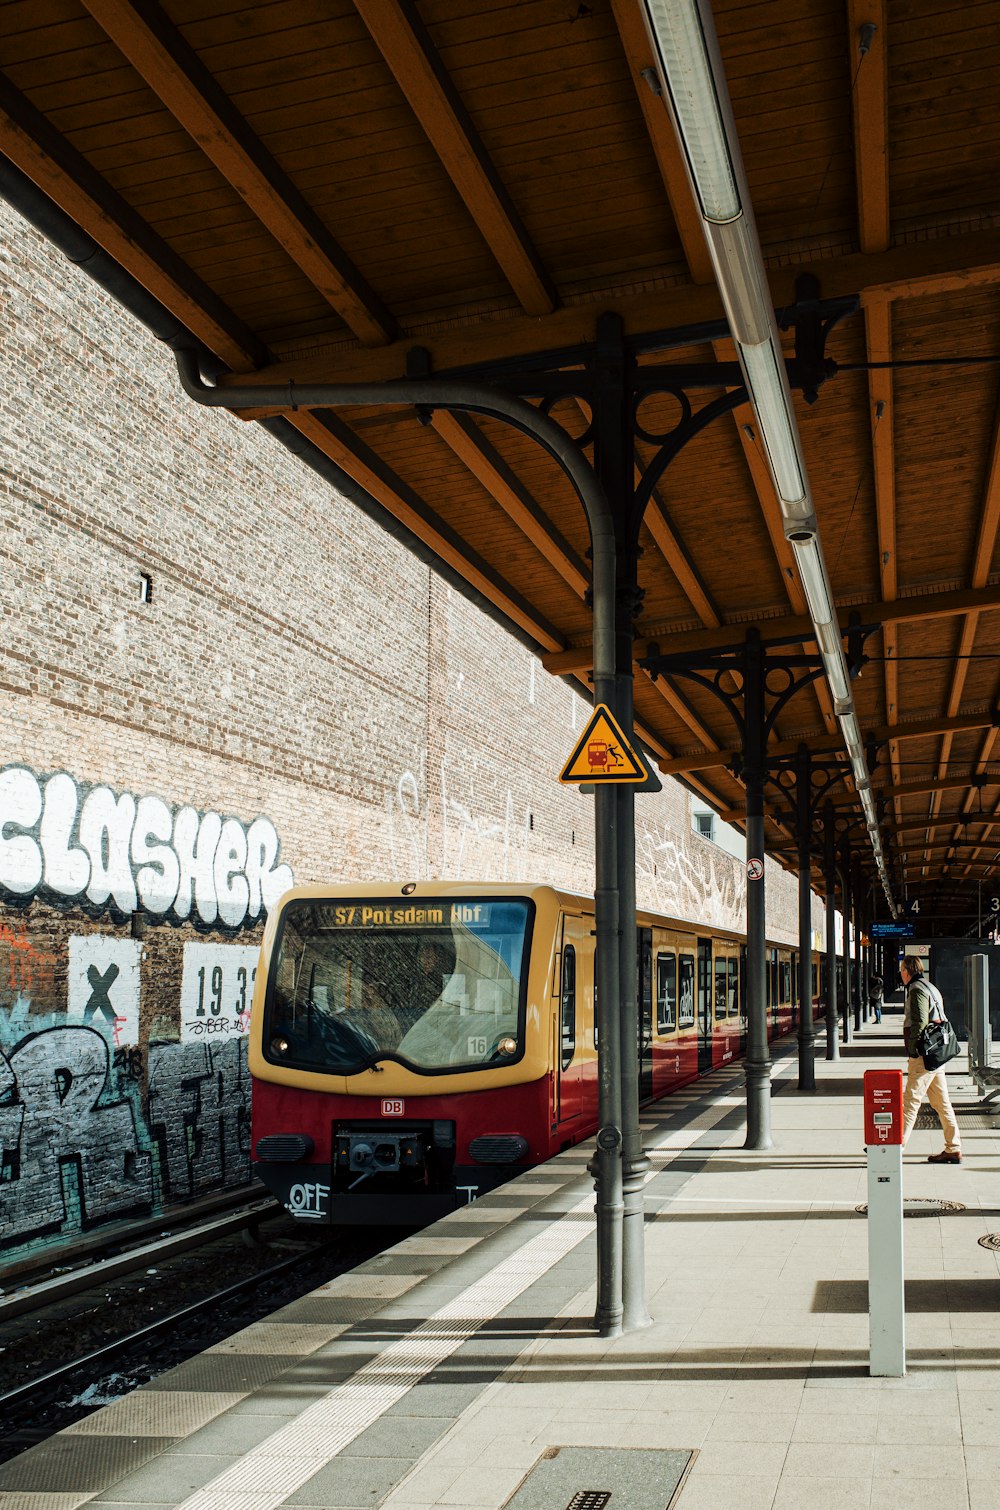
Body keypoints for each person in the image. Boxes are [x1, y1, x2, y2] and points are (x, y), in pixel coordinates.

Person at [899, 955, 961, 1164]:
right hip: (937, 1055)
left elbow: (918, 1022)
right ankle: (953, 1148)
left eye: (902, 969)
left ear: (908, 970)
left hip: (924, 1056)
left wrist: (913, 1050)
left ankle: (895, 1148)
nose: (901, 973)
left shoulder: (916, 989)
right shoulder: (931, 987)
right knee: (942, 1103)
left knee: (910, 1102)